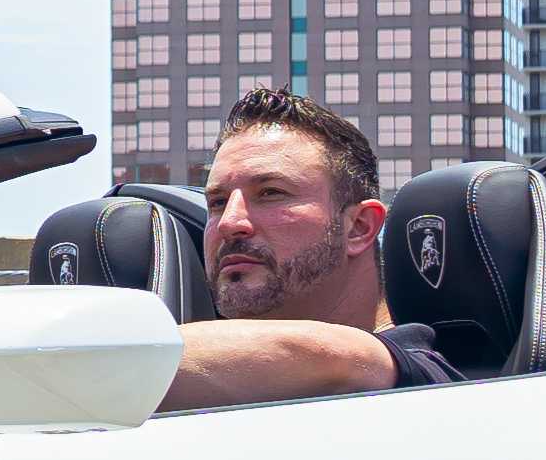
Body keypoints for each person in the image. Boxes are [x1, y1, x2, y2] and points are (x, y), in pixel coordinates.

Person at [161, 84, 461, 409]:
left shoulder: (426, 376)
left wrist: (117, 356)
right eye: (218, 202)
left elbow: (332, 358)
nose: (230, 223)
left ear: (359, 227)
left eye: (271, 193)